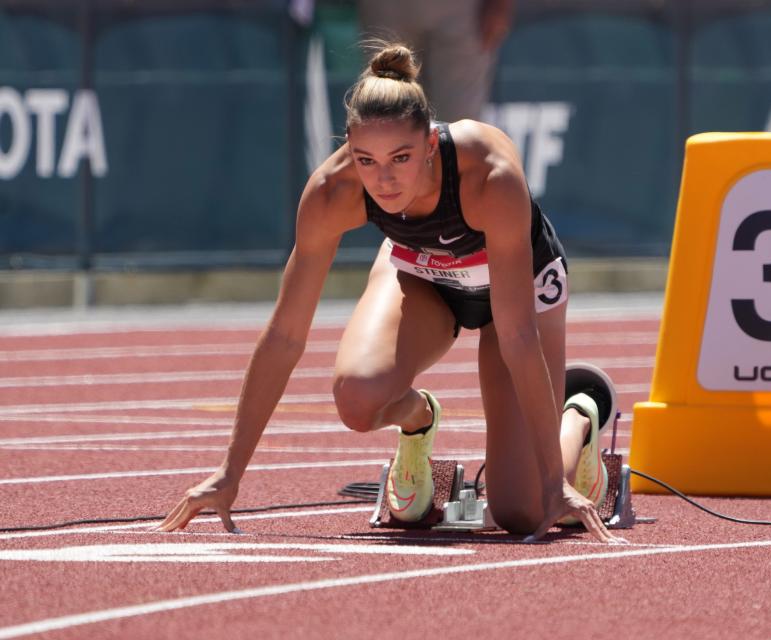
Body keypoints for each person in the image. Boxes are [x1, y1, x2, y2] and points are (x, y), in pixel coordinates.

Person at [158, 42, 622, 544]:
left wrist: (555, 484)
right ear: (349, 152)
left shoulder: (489, 177)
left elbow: (516, 335)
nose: (384, 179)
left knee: (524, 510)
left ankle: (578, 412)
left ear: (429, 145)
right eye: (366, 160)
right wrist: (230, 473)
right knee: (356, 400)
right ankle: (419, 421)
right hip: (426, 277)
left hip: (512, 292)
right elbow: (285, 335)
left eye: (400, 158)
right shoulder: (332, 191)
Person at [356, 0, 513, 122]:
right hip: (391, 8)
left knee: (459, 126)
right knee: (387, 118)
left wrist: (500, 4)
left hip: (462, 11)